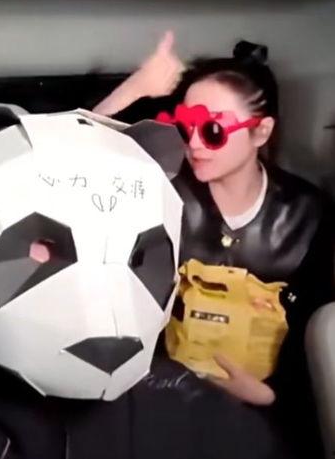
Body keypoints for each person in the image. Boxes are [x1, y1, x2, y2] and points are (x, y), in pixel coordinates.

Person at [93, 31, 334, 457]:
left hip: (269, 411)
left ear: (261, 132)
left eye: (213, 130)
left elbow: (321, 336)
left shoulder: (309, 215)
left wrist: (268, 395)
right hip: (162, 396)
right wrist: (132, 91)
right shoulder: (162, 193)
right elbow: (71, 171)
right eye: (186, 127)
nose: (195, 144)